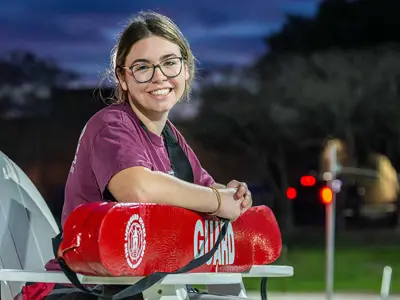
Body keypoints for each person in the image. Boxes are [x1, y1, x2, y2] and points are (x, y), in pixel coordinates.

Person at [35, 10, 253, 300]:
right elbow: (136, 187)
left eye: (169, 63)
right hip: (88, 288)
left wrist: (234, 195)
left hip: (154, 286)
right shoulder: (111, 125)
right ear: (123, 78)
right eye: (142, 67)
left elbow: (203, 190)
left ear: (186, 70)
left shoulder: (172, 138)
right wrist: (217, 200)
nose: (158, 76)